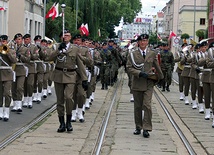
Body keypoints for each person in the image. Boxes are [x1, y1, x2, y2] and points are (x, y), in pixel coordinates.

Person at [46, 29, 87, 132]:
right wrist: (58, 51)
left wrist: (84, 78)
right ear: (61, 37)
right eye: (64, 35)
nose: (66, 37)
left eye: (68, 35)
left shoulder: (75, 49)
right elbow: (48, 58)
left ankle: (69, 120)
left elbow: (80, 64)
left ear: (70, 37)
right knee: (60, 101)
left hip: (71, 75)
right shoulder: (56, 47)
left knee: (69, 97)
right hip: (59, 75)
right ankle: (62, 123)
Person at [126, 34, 164, 138]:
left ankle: (146, 128)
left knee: (147, 105)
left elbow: (156, 65)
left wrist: (161, 77)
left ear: (147, 42)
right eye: (142, 41)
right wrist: (138, 73)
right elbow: (129, 68)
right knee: (138, 106)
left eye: (145, 41)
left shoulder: (152, 53)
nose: (143, 43)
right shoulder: (133, 54)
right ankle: (138, 126)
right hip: (138, 82)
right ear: (138, 42)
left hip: (148, 83)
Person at [11, 33, 31, 113]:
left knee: (19, 87)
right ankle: (15, 104)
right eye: (16, 39)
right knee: (13, 88)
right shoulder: (12, 48)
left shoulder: (25, 49)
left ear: (22, 40)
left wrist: (20, 56)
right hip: (13, 70)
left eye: (19, 39)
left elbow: (28, 59)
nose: (18, 41)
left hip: (21, 69)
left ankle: (19, 104)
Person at [0, 35, 17, 121]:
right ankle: (0, 111)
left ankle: (6, 111)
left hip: (7, 73)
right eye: (1, 41)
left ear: (6, 42)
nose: (2, 43)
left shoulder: (11, 50)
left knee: (7, 93)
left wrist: (7, 51)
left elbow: (14, 60)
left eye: (3, 41)